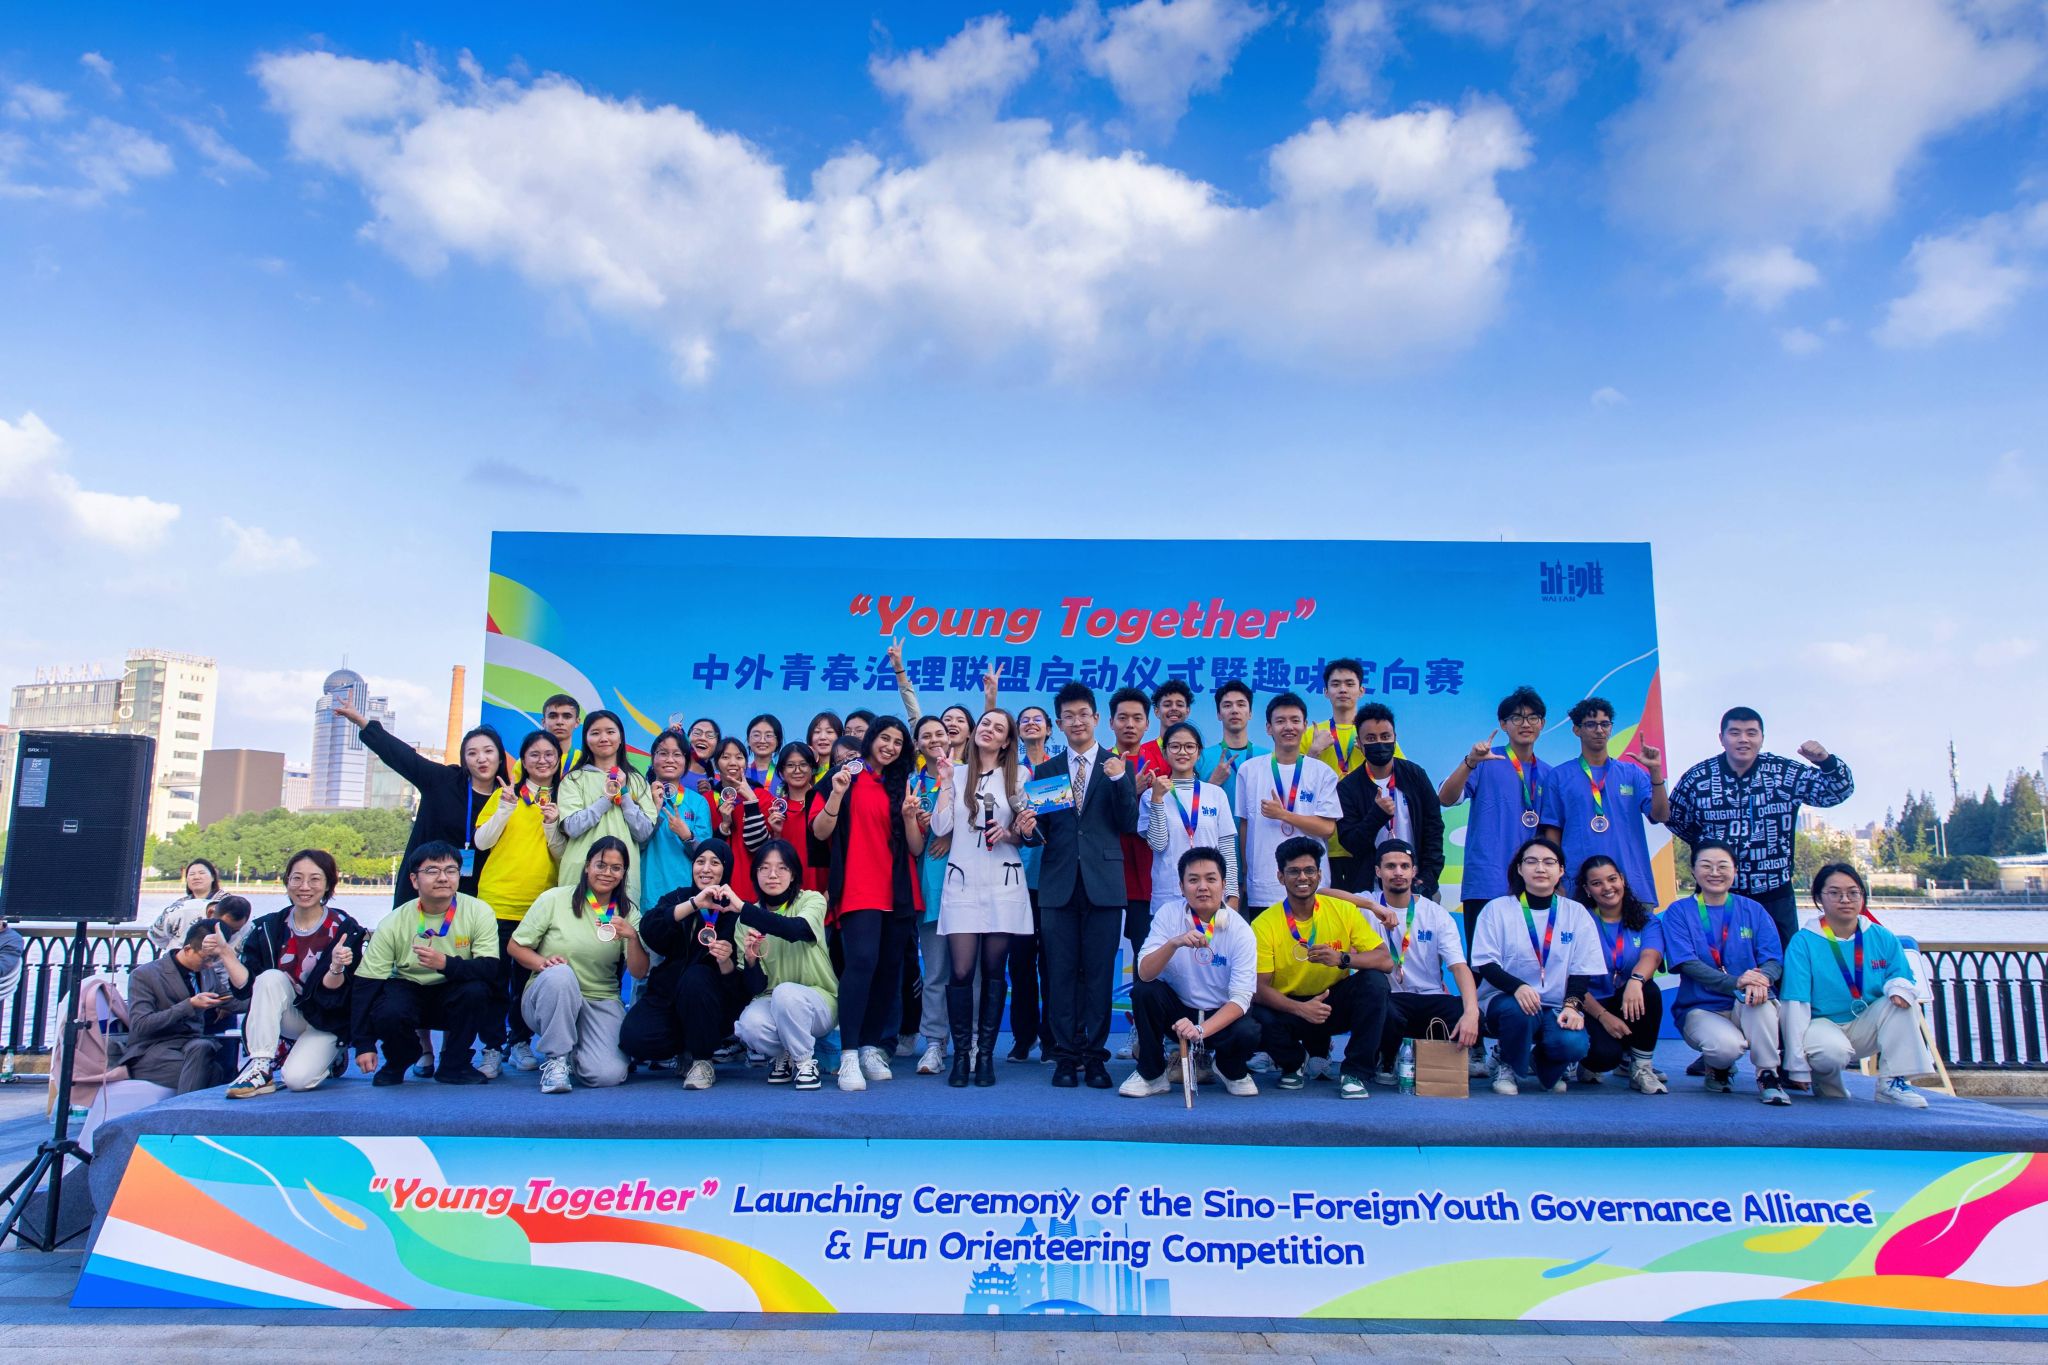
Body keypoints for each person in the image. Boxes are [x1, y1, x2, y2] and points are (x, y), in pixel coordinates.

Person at [1667, 707, 1854, 949]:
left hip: (1774, 893)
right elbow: (1675, 819)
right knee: (1714, 962)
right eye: (1735, 733)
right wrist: (1708, 846)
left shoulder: (1784, 773)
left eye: (1751, 733)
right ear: (1721, 738)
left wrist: (1826, 762)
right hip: (1717, 894)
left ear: (1762, 738)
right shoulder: (1698, 778)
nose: (1743, 739)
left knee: (1782, 963)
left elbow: (1839, 791)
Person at [1028, 682, 1139, 1090]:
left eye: (1083, 714)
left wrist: (1121, 781)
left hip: (1103, 886)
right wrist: (1026, 828)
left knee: (1098, 975)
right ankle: (1064, 1056)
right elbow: (1041, 833)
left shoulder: (1116, 765)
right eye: (1068, 716)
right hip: (1057, 885)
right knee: (1059, 974)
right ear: (1059, 724)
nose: (1077, 722)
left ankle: (1094, 1057)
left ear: (1096, 719)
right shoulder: (1048, 770)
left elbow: (1128, 823)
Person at [812, 717, 927, 1090]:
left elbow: (915, 848)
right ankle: (848, 1053)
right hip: (859, 887)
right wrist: (836, 794)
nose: (890, 747)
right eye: (884, 738)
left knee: (889, 970)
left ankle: (870, 1047)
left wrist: (909, 816)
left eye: (897, 742)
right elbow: (819, 831)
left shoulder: (901, 783)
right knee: (861, 964)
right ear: (871, 739)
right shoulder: (843, 776)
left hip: (899, 890)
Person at [931, 708, 1034, 1088]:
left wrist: (1010, 834)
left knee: (994, 969)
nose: (989, 730)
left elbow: (1028, 834)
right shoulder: (956, 773)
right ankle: (962, 1054)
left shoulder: (1019, 776)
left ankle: (985, 1055)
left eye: (999, 727)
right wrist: (945, 783)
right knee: (961, 971)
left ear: (1007, 741)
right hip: (962, 880)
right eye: (985, 723)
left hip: (1003, 880)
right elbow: (941, 826)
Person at [1249, 837, 1393, 1098]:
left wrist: (1342, 959)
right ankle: (1293, 1063)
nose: (1302, 877)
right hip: (1289, 1007)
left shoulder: (1343, 910)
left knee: (1374, 982)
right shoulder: (1264, 924)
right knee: (1253, 1011)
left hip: (1331, 1004)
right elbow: (1259, 988)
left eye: (1309, 870)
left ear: (1319, 875)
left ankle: (1355, 1073)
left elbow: (1385, 961)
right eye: (1294, 871)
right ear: (1280, 877)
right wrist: (1300, 1008)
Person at [330, 696, 510, 904]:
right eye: (472, 753)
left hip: (475, 894)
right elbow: (405, 757)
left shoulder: (509, 798)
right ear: (464, 760)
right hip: (422, 888)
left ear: (500, 757)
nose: (481, 759)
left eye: (488, 751)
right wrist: (362, 722)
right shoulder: (442, 781)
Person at [1782, 864, 1932, 1109]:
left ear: (1862, 896)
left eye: (1853, 893)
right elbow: (1795, 1003)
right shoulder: (1804, 941)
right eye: (1835, 893)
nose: (1845, 900)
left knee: (1903, 1001)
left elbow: (1902, 977)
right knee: (1830, 1052)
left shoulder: (1881, 936)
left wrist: (1898, 989)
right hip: (1822, 1024)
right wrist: (1796, 1065)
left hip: (1866, 1022)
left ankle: (1892, 1082)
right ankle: (1827, 1082)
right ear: (1819, 897)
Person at [348, 842, 499, 1086]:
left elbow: (490, 968)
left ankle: (454, 1065)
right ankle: (400, 1059)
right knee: (388, 1009)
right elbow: (367, 984)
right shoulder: (394, 921)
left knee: (477, 992)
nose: (443, 878)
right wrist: (363, 1043)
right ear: (414, 879)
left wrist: (446, 964)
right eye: (432, 871)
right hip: (409, 985)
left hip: (453, 988)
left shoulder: (479, 911)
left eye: (451, 870)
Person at [225, 850, 367, 1098]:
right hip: (290, 1015)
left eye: (315, 879)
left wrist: (336, 966)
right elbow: (247, 989)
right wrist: (225, 954)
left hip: (327, 1019)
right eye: (297, 878)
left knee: (297, 1080)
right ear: (287, 881)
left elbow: (342, 994)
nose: (305, 887)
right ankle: (261, 1066)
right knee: (269, 978)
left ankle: (333, 1057)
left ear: (328, 885)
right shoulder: (268, 927)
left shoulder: (345, 928)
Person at [1121, 848, 1261, 1098]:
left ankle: (1229, 1069)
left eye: (1211, 879)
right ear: (1181, 886)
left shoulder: (1241, 931)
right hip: (1178, 1013)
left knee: (1248, 1030)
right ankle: (1152, 1074)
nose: (1202, 887)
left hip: (1218, 1017)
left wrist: (1201, 1030)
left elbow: (1241, 999)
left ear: (1224, 885)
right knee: (1145, 991)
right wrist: (1174, 943)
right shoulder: (1168, 914)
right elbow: (1145, 972)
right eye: (1193, 880)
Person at [511, 836, 647, 1093]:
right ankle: (556, 1059)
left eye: (616, 868)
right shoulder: (554, 899)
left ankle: (575, 1052)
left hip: (600, 999)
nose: (607, 873)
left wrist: (632, 936)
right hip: (550, 995)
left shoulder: (629, 913)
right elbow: (515, 947)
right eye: (600, 865)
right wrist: (542, 963)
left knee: (608, 1075)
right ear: (587, 867)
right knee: (561, 975)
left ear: (623, 873)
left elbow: (639, 972)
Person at [1469, 837, 1603, 1096]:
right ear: (1520, 869)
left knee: (1575, 1043)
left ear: (1561, 870)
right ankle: (1507, 1063)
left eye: (1549, 862)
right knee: (1519, 1011)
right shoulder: (1497, 909)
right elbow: (1486, 964)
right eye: (1531, 862)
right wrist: (1518, 988)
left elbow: (1581, 971)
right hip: (1505, 1000)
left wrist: (1572, 1006)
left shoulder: (1576, 913)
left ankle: (1542, 1062)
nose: (1540, 868)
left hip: (1555, 1004)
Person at [1662, 840, 1789, 1105]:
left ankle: (1768, 1075)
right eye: (1706, 866)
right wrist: (1736, 981)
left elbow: (1773, 960)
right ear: (1693, 870)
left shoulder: (1753, 910)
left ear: (1735, 870)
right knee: (1725, 1048)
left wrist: (1762, 979)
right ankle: (1718, 1067)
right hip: (1702, 1008)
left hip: (1747, 1001)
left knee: (1761, 1001)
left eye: (1722, 866)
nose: (1715, 873)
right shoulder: (1679, 912)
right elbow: (1688, 964)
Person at [621, 839, 754, 1089]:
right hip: (668, 996)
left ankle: (702, 1059)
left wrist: (725, 962)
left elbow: (741, 987)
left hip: (711, 1003)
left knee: (696, 977)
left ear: (726, 868)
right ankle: (686, 1049)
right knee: (634, 1038)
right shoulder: (679, 897)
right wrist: (694, 904)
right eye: (700, 861)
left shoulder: (735, 909)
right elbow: (650, 929)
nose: (706, 869)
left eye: (715, 863)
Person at [473, 729, 566, 1077]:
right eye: (534, 755)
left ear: (558, 760)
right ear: (523, 761)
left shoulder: (564, 798)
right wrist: (505, 809)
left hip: (540, 906)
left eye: (549, 754)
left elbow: (563, 853)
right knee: (494, 981)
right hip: (496, 902)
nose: (542, 761)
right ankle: (491, 1047)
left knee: (528, 981)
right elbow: (482, 842)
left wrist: (552, 823)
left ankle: (520, 1040)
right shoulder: (505, 794)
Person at [1438, 687, 1550, 948]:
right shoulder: (1484, 762)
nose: (1525, 724)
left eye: (1533, 717)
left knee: (1529, 959)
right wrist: (1470, 762)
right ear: (1503, 724)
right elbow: (1445, 798)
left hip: (1532, 883)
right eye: (1517, 718)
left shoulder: (1550, 775)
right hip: (1485, 882)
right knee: (1482, 961)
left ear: (1542, 724)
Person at [1369, 840, 1479, 1084]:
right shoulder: (1366, 906)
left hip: (1429, 998)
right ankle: (1386, 1059)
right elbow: (1321, 893)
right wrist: (1370, 905)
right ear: (1378, 871)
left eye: (1404, 866)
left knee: (1465, 1009)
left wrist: (1472, 1012)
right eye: (1390, 866)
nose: (1398, 872)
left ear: (1414, 871)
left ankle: (1439, 1059)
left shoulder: (1436, 913)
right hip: (1392, 999)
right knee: (1376, 1001)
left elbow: (1458, 966)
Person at [1539, 697, 1669, 901]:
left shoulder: (1632, 774)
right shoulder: (1559, 776)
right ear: (1576, 730)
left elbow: (1661, 815)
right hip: (1577, 886)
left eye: (1605, 724)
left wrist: (1656, 772)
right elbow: (1552, 833)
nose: (1599, 730)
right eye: (1591, 724)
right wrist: (1555, 880)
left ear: (1611, 728)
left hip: (1631, 883)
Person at [733, 839, 838, 1090]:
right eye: (764, 868)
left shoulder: (811, 900)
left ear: (793, 874)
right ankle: (785, 1054)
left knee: (786, 993)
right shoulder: (744, 921)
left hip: (819, 1000)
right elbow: (755, 987)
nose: (772, 875)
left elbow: (797, 930)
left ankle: (804, 1062)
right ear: (755, 874)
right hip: (772, 1001)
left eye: (782, 868)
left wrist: (743, 909)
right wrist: (750, 960)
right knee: (749, 1026)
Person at [1234, 692, 1341, 912]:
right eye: (1280, 721)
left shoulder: (1322, 773)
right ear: (1269, 728)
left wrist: (1284, 815)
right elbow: (1245, 825)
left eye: (1295, 720)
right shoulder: (1249, 770)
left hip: (1311, 884)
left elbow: (1327, 828)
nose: (1288, 727)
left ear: (1305, 726)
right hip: (1264, 885)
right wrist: (1245, 872)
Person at [1572, 855, 1668, 1094]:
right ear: (1587, 889)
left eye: (1612, 879)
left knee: (1649, 990)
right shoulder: (1579, 920)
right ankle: (1587, 1062)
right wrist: (1603, 1016)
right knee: (1604, 1056)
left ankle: (1641, 1068)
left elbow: (1652, 956)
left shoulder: (1645, 919)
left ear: (1622, 880)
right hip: (1589, 1005)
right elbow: (1572, 981)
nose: (1607, 887)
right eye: (1597, 883)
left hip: (1627, 999)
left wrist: (1636, 981)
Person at [1333, 703, 1444, 898]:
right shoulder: (1348, 788)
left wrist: (1428, 877)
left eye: (1385, 737)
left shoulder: (1415, 775)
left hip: (1418, 886)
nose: (1379, 743)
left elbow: (1433, 828)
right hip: (1370, 891)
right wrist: (1376, 816)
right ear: (1359, 743)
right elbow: (1350, 842)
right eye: (1371, 738)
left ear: (1395, 738)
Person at [123, 921, 243, 1093]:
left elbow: (231, 1001)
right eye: (206, 958)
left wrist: (265, 995)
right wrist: (189, 1005)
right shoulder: (144, 975)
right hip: (152, 1051)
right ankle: (186, 1108)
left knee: (205, 1051)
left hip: (192, 1047)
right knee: (212, 1069)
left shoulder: (206, 972)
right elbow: (141, 1025)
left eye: (215, 959)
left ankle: (186, 1107)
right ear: (187, 949)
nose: (210, 965)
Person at [557, 710, 658, 906]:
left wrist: (625, 794)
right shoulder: (574, 779)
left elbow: (644, 832)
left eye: (610, 732)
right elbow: (572, 827)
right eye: (595, 733)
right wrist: (606, 799)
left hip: (622, 876)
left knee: (619, 924)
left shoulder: (637, 781)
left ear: (620, 738)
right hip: (580, 873)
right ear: (586, 740)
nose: (603, 738)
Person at [1139, 721, 1238, 914]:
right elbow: (1158, 845)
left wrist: (1232, 896)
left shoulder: (1215, 794)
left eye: (1189, 746)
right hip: (1168, 896)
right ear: (1165, 753)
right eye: (1175, 746)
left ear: (1198, 753)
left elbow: (1227, 849)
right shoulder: (1150, 795)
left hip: (1210, 896)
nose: (1182, 752)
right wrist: (1157, 799)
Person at [1006, 704, 1056, 1063]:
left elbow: (1055, 828)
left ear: (1050, 729)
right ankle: (1023, 1037)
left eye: (1038, 719)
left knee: (1052, 965)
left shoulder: (1057, 769)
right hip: (1015, 880)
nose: (1031, 724)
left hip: (1052, 880)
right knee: (1020, 964)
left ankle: (1052, 1038)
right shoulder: (1010, 772)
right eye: (1025, 720)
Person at [905, 715, 955, 1073]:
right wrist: (914, 822)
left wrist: (951, 834)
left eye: (940, 733)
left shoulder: (967, 776)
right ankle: (935, 1042)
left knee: (971, 974)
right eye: (926, 736)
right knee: (935, 972)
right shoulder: (913, 784)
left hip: (970, 887)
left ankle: (971, 1041)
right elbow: (915, 847)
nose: (935, 740)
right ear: (918, 745)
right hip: (931, 888)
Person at [1105, 687, 1164, 970]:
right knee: (1102, 953)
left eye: (1137, 718)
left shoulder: (1162, 762)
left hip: (1148, 873)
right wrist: (1131, 789)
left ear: (1147, 723)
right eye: (1123, 718)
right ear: (1110, 722)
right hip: (1107, 872)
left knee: (1145, 953)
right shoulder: (1100, 761)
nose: (1130, 724)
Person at [1304, 659, 1369, 888]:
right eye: (1336, 684)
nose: (1342, 689)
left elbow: (1397, 774)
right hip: (1322, 841)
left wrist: (1372, 753)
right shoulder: (1311, 733)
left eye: (1349, 684)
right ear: (1325, 692)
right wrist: (1313, 751)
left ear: (1361, 691)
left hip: (1363, 837)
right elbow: (1293, 782)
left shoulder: (1373, 732)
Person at [642, 728, 714, 906]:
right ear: (653, 759)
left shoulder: (698, 802)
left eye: (677, 754)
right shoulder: (640, 797)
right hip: (647, 892)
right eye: (663, 753)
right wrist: (653, 811)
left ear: (686, 761)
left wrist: (687, 836)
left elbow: (706, 855)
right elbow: (633, 845)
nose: (670, 760)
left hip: (685, 895)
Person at [705, 736, 772, 900]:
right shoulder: (706, 801)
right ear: (716, 764)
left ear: (746, 763)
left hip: (755, 888)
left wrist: (752, 802)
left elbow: (761, 847)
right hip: (716, 891)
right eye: (725, 757)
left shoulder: (763, 797)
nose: (733, 763)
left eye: (739, 757)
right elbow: (705, 850)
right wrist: (724, 826)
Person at [762, 742, 829, 894]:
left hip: (822, 889)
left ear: (812, 768)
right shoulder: (776, 809)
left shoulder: (825, 803)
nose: (797, 770)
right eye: (790, 765)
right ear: (781, 771)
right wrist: (776, 833)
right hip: (786, 889)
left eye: (803, 764)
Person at [1200, 679, 1266, 812]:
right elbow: (1191, 806)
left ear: (1250, 713)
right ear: (1219, 714)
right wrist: (1213, 783)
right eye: (1227, 705)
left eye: (1241, 705)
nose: (1234, 710)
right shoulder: (1201, 758)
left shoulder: (1267, 757)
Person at [145, 859, 224, 951]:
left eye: (202, 873)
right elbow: (156, 933)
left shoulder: (226, 902)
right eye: (191, 874)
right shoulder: (179, 905)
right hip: (178, 956)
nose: (196, 877)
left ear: (213, 877)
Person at [541, 694, 584, 771]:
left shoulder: (585, 761)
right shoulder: (529, 762)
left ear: (577, 722)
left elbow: (610, 770)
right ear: (544, 722)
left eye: (567, 717)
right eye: (553, 716)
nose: (559, 722)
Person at [743, 713, 784, 790]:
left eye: (768, 735)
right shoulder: (740, 773)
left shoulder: (785, 774)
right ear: (748, 740)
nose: (762, 741)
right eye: (756, 735)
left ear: (778, 741)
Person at [806, 711, 845, 777]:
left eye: (829, 732)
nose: (822, 737)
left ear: (840, 736)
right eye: (817, 732)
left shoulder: (844, 769)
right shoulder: (803, 773)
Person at [685, 717, 722, 781]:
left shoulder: (720, 782)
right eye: (697, 733)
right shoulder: (671, 772)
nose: (702, 738)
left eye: (710, 735)